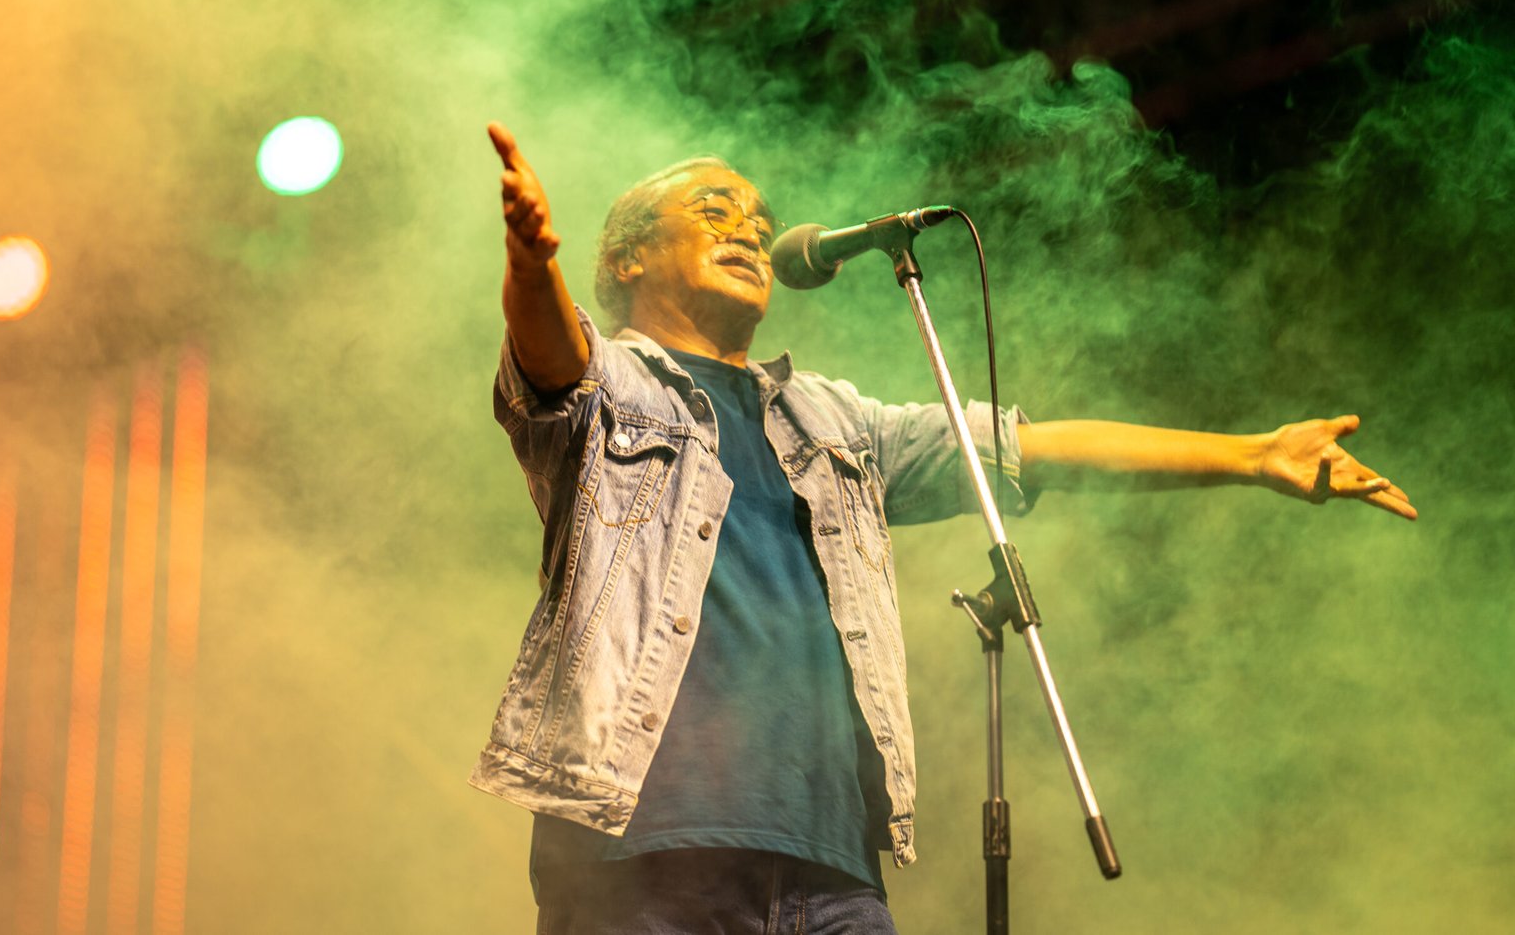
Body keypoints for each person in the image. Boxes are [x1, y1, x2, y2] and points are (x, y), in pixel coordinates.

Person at [471, 121, 1415, 934]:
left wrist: (1254, 454)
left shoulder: (831, 420)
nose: (749, 229)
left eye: (758, 219)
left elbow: (1027, 447)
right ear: (628, 257)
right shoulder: (616, 388)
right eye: (714, 211)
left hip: (834, 871)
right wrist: (531, 261)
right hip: (643, 854)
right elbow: (552, 353)